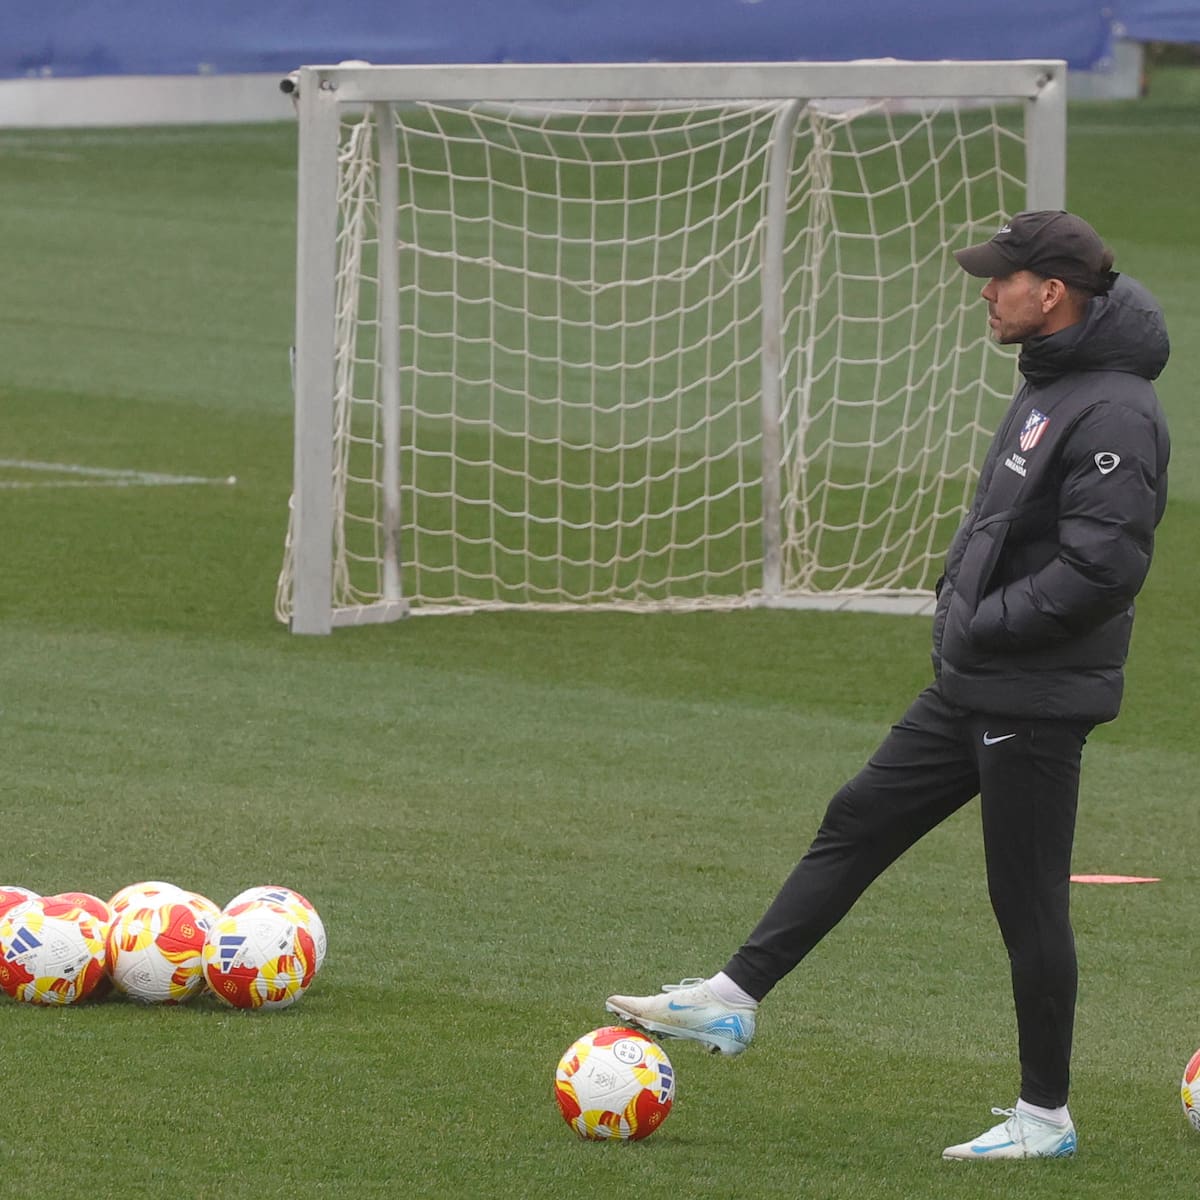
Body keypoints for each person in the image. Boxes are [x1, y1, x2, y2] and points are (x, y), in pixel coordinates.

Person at [605, 211, 1171, 1161]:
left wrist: (981, 623)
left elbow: (1101, 570)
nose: (986, 293)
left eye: (1001, 279)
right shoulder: (1052, 385)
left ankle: (1046, 1118)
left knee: (1026, 902)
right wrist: (963, 615)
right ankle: (732, 1000)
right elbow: (1003, 530)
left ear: (1053, 292)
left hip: (1029, 698)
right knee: (860, 814)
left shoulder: (1111, 408)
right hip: (978, 681)